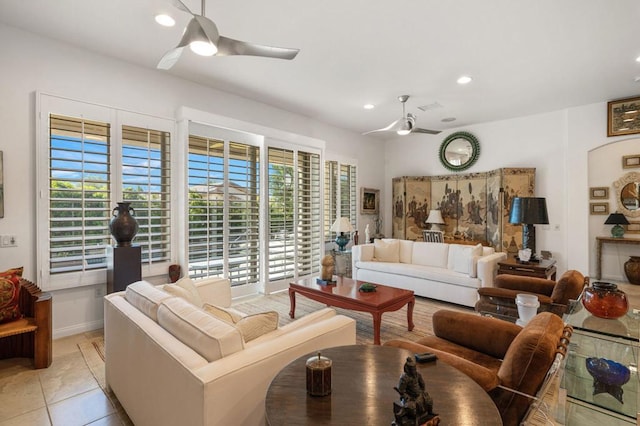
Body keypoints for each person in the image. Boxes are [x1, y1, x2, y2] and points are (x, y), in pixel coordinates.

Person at [395, 357, 434, 422]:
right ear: (408, 369)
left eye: (414, 369)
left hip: (419, 394)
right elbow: (401, 391)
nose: (414, 371)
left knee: (429, 400)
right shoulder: (404, 378)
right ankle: (413, 420)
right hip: (410, 397)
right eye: (412, 369)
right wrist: (407, 397)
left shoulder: (418, 375)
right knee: (412, 407)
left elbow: (422, 384)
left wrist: (422, 391)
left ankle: (430, 413)